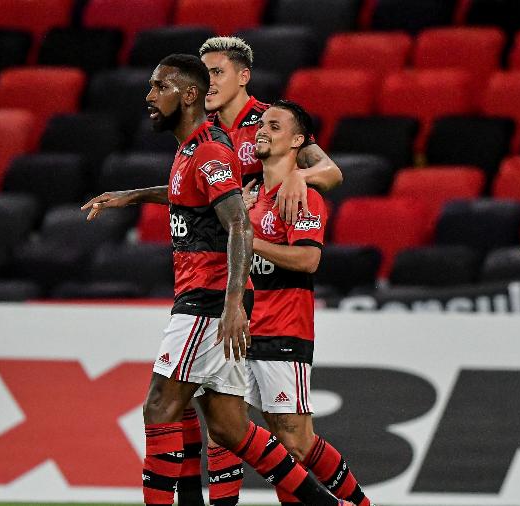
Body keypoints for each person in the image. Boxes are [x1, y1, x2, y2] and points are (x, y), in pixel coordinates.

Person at [81, 54, 354, 506]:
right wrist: (130, 197)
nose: (149, 97)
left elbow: (241, 226)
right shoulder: (194, 149)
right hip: (222, 301)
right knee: (228, 428)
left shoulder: (212, 147)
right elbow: (187, 192)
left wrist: (230, 307)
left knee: (160, 407)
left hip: (208, 301)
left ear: (187, 95)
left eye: (158, 87)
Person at [221, 100, 370, 506]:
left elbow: (308, 259)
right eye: (261, 125)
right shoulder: (250, 199)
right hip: (245, 329)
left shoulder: (302, 196)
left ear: (298, 141)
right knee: (243, 435)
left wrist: (253, 241)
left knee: (296, 442)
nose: (261, 131)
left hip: (284, 330)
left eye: (274, 126)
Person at [199, 36, 342, 224]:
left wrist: (299, 175)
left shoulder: (273, 121)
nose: (207, 82)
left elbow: (332, 173)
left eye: (217, 72)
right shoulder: (200, 132)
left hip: (268, 237)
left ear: (243, 77)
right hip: (219, 241)